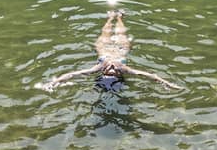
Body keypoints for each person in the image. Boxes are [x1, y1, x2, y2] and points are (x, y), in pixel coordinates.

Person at [40, 7, 184, 93]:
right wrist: (168, 84)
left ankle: (110, 18)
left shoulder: (99, 66)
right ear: (119, 73)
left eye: (110, 70)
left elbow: (73, 74)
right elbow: (149, 75)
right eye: (114, 71)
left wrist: (53, 83)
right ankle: (120, 18)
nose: (112, 67)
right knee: (121, 33)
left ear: (103, 71)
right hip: (121, 50)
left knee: (105, 33)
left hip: (103, 49)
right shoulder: (123, 68)